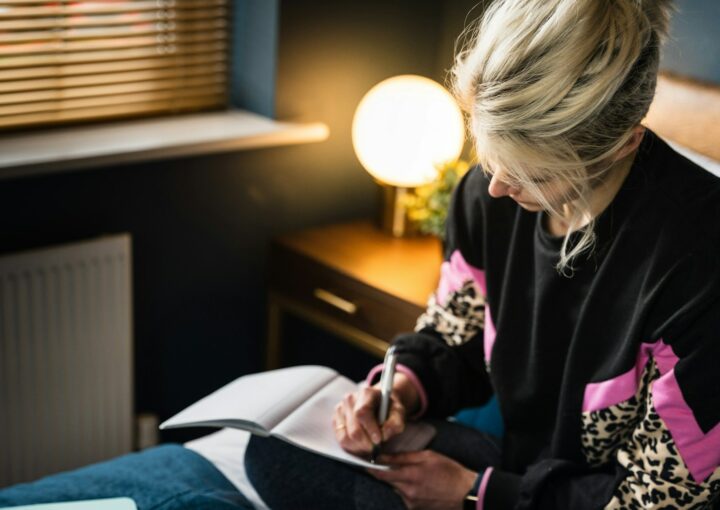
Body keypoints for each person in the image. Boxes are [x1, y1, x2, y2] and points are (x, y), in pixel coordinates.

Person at [245, 0, 720, 508]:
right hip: (520, 470)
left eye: (531, 171)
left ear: (624, 143)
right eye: (491, 153)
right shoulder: (486, 197)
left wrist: (478, 494)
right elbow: (455, 335)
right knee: (273, 451)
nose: (495, 187)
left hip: (594, 497)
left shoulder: (699, 261)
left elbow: (662, 499)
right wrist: (400, 389)